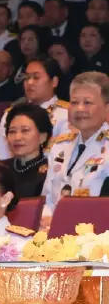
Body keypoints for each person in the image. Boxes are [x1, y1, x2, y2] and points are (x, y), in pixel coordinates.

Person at [42, 71, 109, 218]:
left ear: (107, 108)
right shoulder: (60, 146)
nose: (79, 109)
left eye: (87, 102)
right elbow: (47, 200)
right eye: (74, 102)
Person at [0, 59, 71, 160]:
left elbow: (62, 159)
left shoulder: (66, 114)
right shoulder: (11, 114)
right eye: (26, 78)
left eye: (36, 77)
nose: (29, 82)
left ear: (54, 82)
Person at [0, 103, 53, 199]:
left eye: (25, 130)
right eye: (12, 131)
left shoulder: (52, 171)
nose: (17, 137)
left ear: (42, 137)